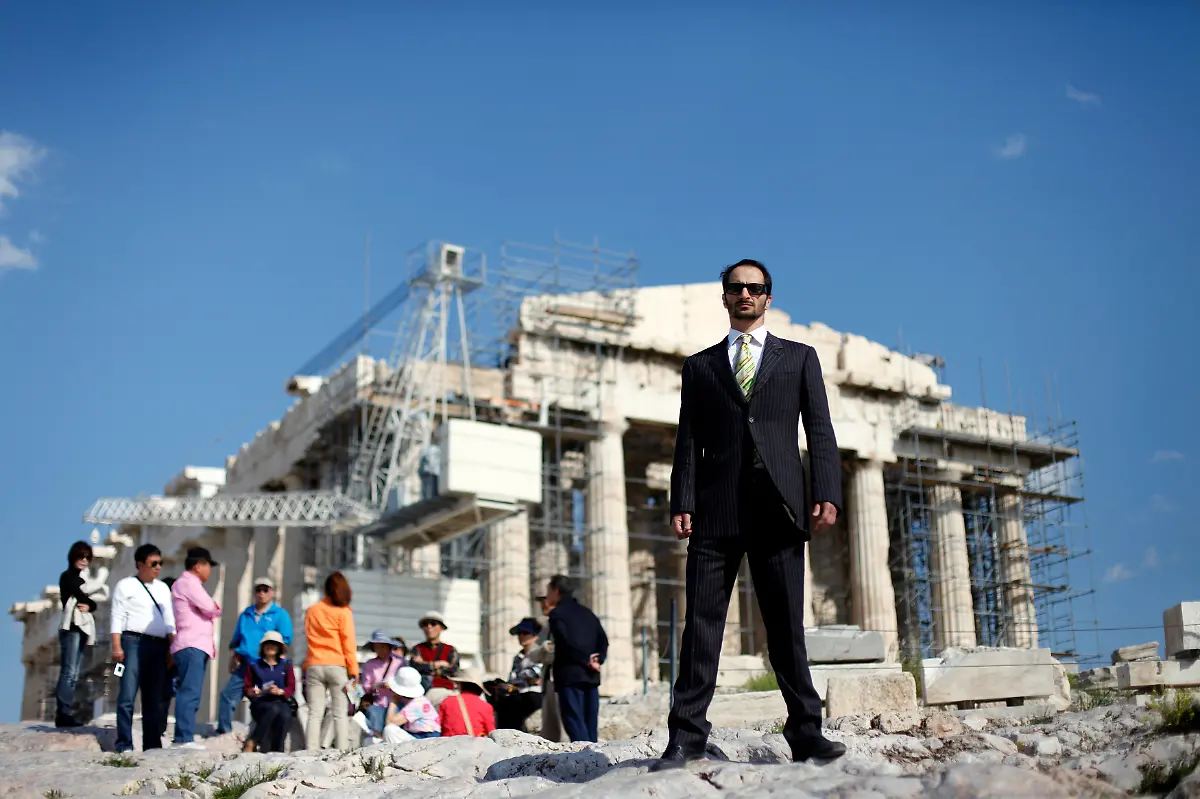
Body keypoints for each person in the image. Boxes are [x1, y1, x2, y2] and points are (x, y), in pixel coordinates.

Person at [652, 259, 847, 771]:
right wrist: (682, 500)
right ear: (724, 297)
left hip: (779, 507)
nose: (745, 295)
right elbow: (687, 439)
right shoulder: (700, 366)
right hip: (716, 510)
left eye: (754, 288)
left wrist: (826, 490)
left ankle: (807, 734)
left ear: (768, 297)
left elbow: (820, 430)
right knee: (701, 628)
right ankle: (687, 736)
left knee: (786, 628)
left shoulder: (800, 358)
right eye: (736, 288)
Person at [110, 543, 175, 753]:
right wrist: (116, 646)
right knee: (127, 695)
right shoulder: (125, 585)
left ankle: (152, 744)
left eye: (160, 563)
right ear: (140, 564)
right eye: (153, 563)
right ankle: (124, 743)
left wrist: (172, 648)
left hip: (158, 645)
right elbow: (117, 616)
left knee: (154, 697)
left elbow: (169, 620)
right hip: (132, 642)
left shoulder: (163, 588)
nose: (158, 568)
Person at [217, 576, 293, 735]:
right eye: (258, 590)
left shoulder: (280, 614)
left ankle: (264, 736)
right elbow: (236, 639)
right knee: (227, 695)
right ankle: (224, 733)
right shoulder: (246, 614)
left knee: (269, 703)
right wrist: (233, 657)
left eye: (265, 590)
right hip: (245, 665)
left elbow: (286, 639)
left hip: (267, 667)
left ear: (272, 592)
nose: (261, 593)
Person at [170, 547, 222, 749]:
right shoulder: (188, 583)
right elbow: (211, 607)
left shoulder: (188, 584)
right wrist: (214, 607)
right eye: (209, 566)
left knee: (192, 691)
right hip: (191, 643)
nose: (210, 570)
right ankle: (183, 737)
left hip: (195, 645)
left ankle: (185, 735)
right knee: (189, 692)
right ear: (198, 565)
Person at [544, 575, 607, 743]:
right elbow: (603, 640)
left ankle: (585, 762)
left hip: (570, 675)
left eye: (548, 591)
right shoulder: (588, 613)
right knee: (590, 724)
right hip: (591, 674)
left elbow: (565, 642)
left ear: (556, 591)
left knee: (574, 722)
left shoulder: (557, 614)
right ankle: (595, 761)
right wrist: (598, 659)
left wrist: (585, 659)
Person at [303, 571, 358, 751]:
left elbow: (308, 637)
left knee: (315, 713)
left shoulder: (312, 610)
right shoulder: (344, 612)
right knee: (339, 714)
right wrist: (353, 669)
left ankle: (311, 751)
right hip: (336, 664)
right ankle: (342, 751)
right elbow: (348, 642)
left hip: (314, 663)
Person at [55, 540, 107, 727]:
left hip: (82, 628)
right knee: (69, 671)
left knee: (75, 673)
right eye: (80, 556)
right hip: (71, 628)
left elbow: (90, 599)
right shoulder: (68, 576)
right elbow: (81, 594)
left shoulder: (83, 580)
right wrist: (92, 602)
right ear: (73, 557)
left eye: (87, 557)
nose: (84, 560)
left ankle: (66, 712)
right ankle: (63, 713)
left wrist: (90, 604)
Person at [241, 630, 296, 753]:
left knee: (285, 714)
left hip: (280, 701)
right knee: (272, 710)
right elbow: (246, 688)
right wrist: (255, 692)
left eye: (274, 644)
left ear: (280, 647)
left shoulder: (286, 665)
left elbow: (291, 687)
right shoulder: (254, 665)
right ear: (263, 646)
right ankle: (253, 741)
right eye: (268, 643)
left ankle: (278, 750)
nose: (270, 647)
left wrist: (280, 691)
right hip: (261, 702)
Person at [351, 629, 405, 741]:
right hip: (377, 703)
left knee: (393, 730)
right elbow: (366, 687)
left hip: (397, 702)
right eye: (377, 646)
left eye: (383, 646)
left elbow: (406, 681)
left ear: (389, 646)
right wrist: (378, 685)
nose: (380, 649)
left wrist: (395, 685)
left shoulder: (400, 662)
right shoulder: (369, 665)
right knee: (376, 730)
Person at [491, 617, 544, 732]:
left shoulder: (540, 653)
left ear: (535, 636)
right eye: (519, 633)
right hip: (518, 695)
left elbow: (535, 674)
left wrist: (519, 681)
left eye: (525, 633)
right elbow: (515, 678)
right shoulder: (518, 657)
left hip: (534, 695)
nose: (521, 636)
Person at [410, 611, 459, 706]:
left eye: (433, 624)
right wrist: (438, 664)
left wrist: (426, 666)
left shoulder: (450, 649)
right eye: (425, 624)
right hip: (422, 694)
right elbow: (415, 667)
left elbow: (453, 670)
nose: (429, 627)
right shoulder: (417, 648)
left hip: (446, 693)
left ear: (442, 628)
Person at [381, 666, 441, 743]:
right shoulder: (412, 701)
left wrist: (393, 702)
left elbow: (390, 723)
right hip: (416, 736)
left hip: (426, 739)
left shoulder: (417, 703)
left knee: (389, 730)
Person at [437, 669, 495, 738]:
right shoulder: (486, 706)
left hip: (449, 745)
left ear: (461, 685)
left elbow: (437, 726)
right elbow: (491, 733)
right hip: (475, 746)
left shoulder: (447, 702)